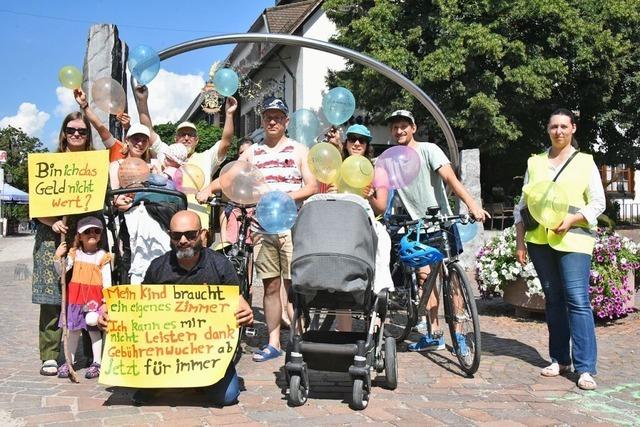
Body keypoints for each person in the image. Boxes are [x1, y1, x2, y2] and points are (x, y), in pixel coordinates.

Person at [197, 96, 318, 362]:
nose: (272, 120)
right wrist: (209, 188)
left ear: (286, 121)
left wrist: (284, 197)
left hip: (292, 228)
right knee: (271, 285)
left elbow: (312, 186)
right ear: (263, 121)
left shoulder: (299, 150)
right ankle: (274, 341)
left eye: (277, 116)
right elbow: (230, 176)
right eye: (268, 116)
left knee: (294, 285)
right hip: (262, 228)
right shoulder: (253, 152)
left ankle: (298, 339)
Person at [98, 210, 253, 405]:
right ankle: (164, 381)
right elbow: (137, 309)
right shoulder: (158, 267)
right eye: (176, 235)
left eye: (190, 234)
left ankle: (199, 379)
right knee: (142, 394)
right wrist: (112, 314)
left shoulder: (220, 265)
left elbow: (239, 303)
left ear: (203, 234)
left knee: (227, 397)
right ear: (169, 236)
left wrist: (246, 313)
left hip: (208, 352)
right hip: (165, 350)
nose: (183, 240)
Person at [382, 110, 489, 352]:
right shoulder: (390, 160)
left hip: (441, 223)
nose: (399, 131)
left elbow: (451, 180)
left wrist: (473, 205)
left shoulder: (429, 150)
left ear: (413, 128)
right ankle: (435, 333)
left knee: (452, 280)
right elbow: (378, 183)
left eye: (404, 126)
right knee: (425, 279)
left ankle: (460, 335)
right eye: (395, 127)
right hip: (417, 228)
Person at [515, 108, 604, 390]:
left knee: (577, 300)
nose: (559, 132)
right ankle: (559, 359)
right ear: (548, 129)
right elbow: (523, 206)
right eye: (554, 127)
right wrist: (520, 242)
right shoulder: (535, 162)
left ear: (573, 129)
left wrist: (572, 219)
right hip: (540, 241)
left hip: (575, 239)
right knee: (553, 299)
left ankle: (585, 367)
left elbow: (598, 202)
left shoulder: (585, 162)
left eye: (564, 127)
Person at [32, 111, 94, 376]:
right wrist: (52, 222)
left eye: (81, 131)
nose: (76, 134)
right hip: (51, 239)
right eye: (71, 130)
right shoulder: (50, 162)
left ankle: (86, 351)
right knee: (52, 298)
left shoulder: (93, 164)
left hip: (82, 238)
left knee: (85, 293)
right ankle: (50, 353)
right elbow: (36, 205)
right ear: (64, 133)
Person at [133, 85, 237, 228]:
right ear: (176, 138)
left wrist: (230, 114)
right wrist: (142, 102)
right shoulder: (167, 153)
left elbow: (225, 143)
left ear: (197, 140)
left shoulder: (207, 157)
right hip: (167, 223)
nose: (186, 138)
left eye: (191, 135)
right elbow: (149, 132)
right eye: (182, 134)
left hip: (198, 225)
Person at [54, 216, 111, 379]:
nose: (92, 233)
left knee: (94, 330)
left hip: (94, 301)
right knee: (72, 331)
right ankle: (69, 361)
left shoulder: (103, 256)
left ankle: (97, 363)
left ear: (100, 234)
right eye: (87, 231)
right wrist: (58, 257)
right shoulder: (74, 254)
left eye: (96, 230)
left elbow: (107, 282)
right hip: (76, 300)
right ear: (79, 235)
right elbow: (62, 271)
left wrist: (106, 302)